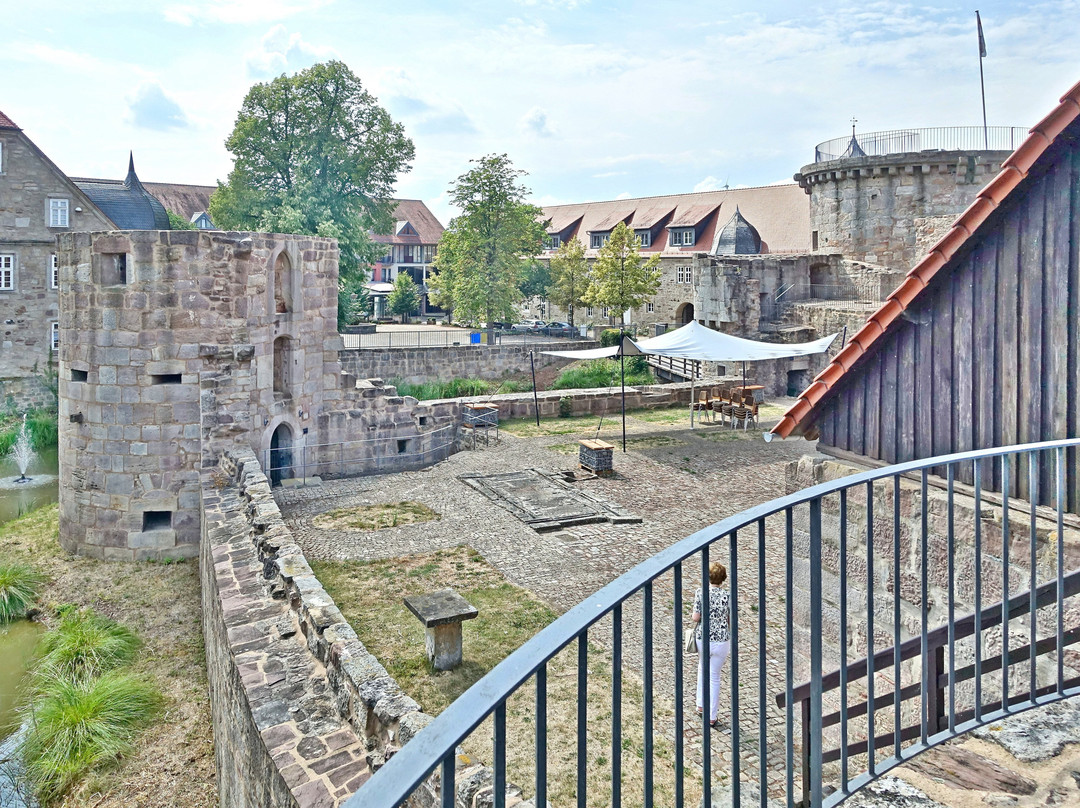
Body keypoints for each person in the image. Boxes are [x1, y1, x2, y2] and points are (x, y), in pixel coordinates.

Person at [691, 561, 731, 728]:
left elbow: (695, 617)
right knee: (714, 677)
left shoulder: (701, 592)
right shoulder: (727, 596)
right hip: (721, 640)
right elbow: (730, 619)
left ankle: (700, 704)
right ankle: (711, 716)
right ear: (723, 578)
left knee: (702, 668)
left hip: (703, 637)